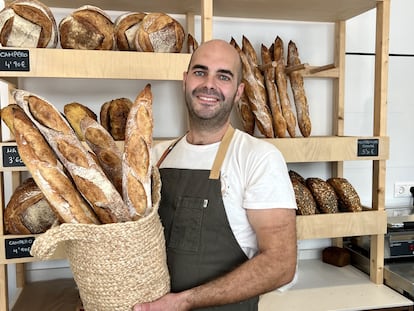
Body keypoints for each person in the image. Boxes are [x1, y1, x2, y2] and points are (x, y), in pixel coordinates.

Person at [133, 39, 297, 311]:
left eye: (223, 76)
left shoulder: (258, 158)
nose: (209, 84)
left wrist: (182, 302)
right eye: (200, 72)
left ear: (238, 91)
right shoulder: (156, 156)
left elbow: (281, 264)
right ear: (185, 81)